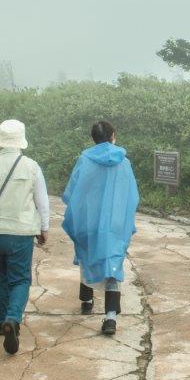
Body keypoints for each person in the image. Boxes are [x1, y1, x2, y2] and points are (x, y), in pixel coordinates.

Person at [0, 119, 50, 354]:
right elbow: (42, 202)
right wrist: (44, 229)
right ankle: (12, 319)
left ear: (0, 141)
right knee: (20, 279)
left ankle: (0, 321)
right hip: (21, 233)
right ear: (21, 141)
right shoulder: (32, 167)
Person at [62, 120, 139, 336]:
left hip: (89, 220)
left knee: (87, 255)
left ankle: (87, 300)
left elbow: (72, 193)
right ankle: (111, 318)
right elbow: (132, 196)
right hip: (114, 223)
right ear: (113, 135)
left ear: (93, 138)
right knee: (112, 263)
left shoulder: (84, 160)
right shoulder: (124, 163)